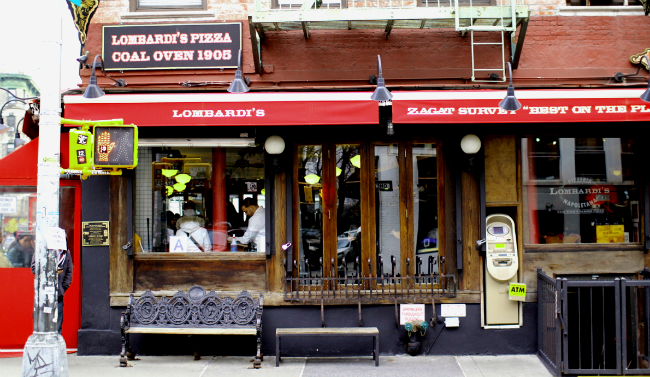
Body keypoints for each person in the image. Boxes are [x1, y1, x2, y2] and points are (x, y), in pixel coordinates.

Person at [31, 248, 73, 334]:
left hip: (58, 296)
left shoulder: (66, 253)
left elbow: (69, 273)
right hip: (43, 295)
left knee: (57, 327)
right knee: (41, 325)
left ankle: (56, 344)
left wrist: (62, 288)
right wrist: (52, 270)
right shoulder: (41, 248)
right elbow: (34, 268)